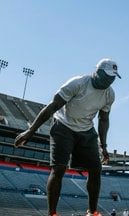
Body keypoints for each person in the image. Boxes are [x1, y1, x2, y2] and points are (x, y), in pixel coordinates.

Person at [14, 58, 121, 216]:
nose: (109, 81)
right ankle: (52, 213)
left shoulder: (109, 94)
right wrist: (30, 131)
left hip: (86, 129)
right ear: (96, 72)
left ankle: (92, 212)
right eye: (107, 76)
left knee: (96, 168)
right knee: (59, 168)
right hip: (63, 125)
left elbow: (104, 119)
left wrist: (103, 146)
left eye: (112, 78)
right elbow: (53, 106)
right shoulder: (78, 83)